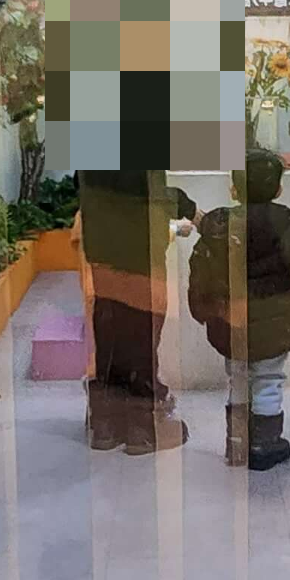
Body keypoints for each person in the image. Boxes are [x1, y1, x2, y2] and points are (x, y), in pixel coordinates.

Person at [187, 147, 290, 468]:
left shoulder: (216, 232)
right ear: (278, 189)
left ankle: (237, 442)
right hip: (275, 327)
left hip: (229, 323)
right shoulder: (287, 230)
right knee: (268, 379)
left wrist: (203, 311)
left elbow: (200, 276)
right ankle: (265, 445)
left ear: (233, 190)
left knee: (237, 377)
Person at [77, 168, 196, 454]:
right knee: (141, 327)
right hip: (139, 246)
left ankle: (105, 422)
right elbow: (149, 192)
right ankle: (141, 425)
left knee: (109, 322)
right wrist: (187, 206)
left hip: (102, 241)